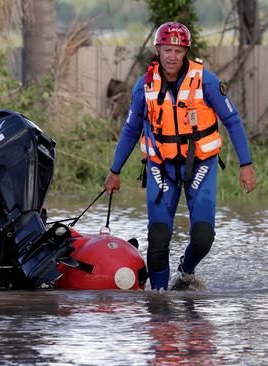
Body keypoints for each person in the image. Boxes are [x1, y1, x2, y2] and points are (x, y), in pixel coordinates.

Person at [104, 22, 257, 291]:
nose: (172, 56)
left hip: (200, 164)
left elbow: (232, 120)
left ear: (185, 51)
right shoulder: (144, 86)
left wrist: (246, 165)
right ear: (158, 50)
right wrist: (115, 171)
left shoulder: (205, 81)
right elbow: (130, 130)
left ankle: (186, 271)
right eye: (167, 50)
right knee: (159, 238)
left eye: (177, 50)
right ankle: (159, 303)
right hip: (160, 167)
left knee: (202, 237)